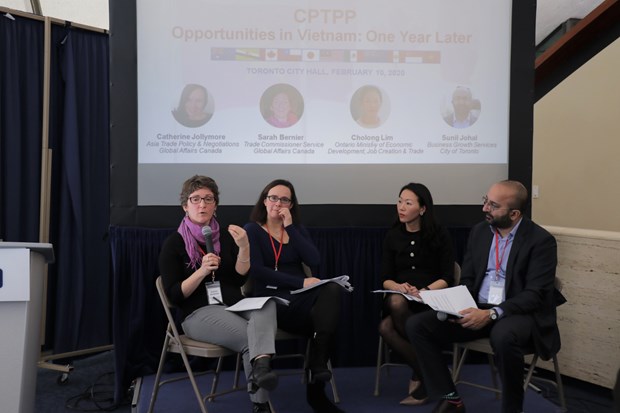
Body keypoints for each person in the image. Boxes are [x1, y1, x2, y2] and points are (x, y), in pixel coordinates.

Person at [406, 180, 565, 413]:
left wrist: (491, 313)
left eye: (493, 205)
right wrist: (452, 302)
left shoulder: (540, 241)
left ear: (514, 213)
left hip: (517, 312)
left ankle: (512, 408)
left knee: (503, 336)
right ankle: (451, 400)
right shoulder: (480, 232)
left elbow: (535, 295)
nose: (484, 209)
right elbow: (469, 279)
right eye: (485, 201)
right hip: (477, 307)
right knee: (417, 325)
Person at [159, 175, 278, 413]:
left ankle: (261, 366)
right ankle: (261, 404)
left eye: (208, 199)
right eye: (195, 199)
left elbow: (238, 278)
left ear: (216, 205)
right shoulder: (174, 243)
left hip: (233, 304)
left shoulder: (225, 236)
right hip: (198, 314)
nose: (202, 205)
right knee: (250, 338)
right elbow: (174, 295)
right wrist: (201, 271)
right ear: (185, 205)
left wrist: (244, 247)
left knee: (267, 305)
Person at [244, 179, 345, 413]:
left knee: (331, 292)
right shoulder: (252, 230)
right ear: (264, 200)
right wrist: (299, 281)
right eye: (273, 198)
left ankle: (317, 371)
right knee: (324, 323)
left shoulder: (296, 229)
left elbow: (314, 260)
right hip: (271, 303)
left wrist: (290, 228)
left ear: (291, 204)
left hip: (300, 300)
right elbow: (257, 270)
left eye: (284, 200)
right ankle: (316, 381)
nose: (278, 203)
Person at [379, 183, 455, 406]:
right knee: (395, 301)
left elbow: (448, 275)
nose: (401, 207)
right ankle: (428, 373)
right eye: (400, 201)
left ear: (422, 209)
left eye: (408, 203)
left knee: (385, 327)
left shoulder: (439, 234)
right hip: (401, 300)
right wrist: (399, 286)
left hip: (431, 299)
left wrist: (426, 292)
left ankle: (423, 374)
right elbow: (385, 277)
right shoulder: (393, 235)